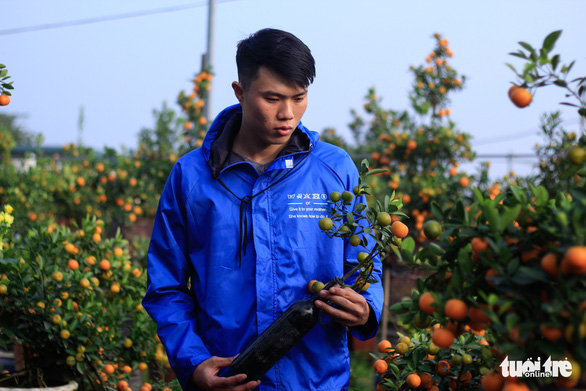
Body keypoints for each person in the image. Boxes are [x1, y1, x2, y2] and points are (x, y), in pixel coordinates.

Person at [142, 28, 383, 391]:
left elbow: (365, 263)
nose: (288, 114)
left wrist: (366, 307)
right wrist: (193, 363)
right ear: (240, 92)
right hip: (230, 380)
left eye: (299, 98)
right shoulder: (191, 178)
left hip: (319, 382)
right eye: (272, 98)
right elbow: (166, 287)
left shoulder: (334, 170)